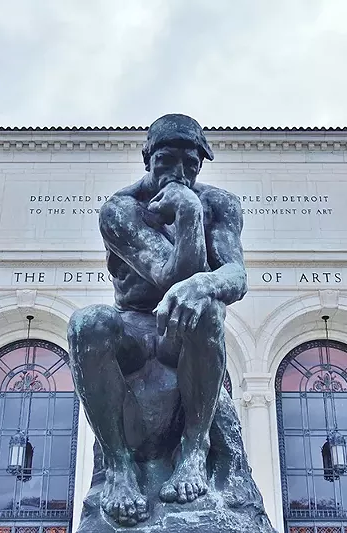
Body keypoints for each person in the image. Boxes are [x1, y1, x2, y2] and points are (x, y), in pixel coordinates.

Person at [68, 114, 247, 526]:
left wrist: (202, 286)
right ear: (148, 156)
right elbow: (169, 276)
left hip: (179, 335)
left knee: (206, 310)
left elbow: (235, 276)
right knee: (87, 323)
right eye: (168, 160)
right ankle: (119, 467)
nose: (180, 173)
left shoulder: (220, 205)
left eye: (192, 164)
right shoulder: (120, 210)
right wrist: (186, 212)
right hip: (134, 328)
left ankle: (194, 450)